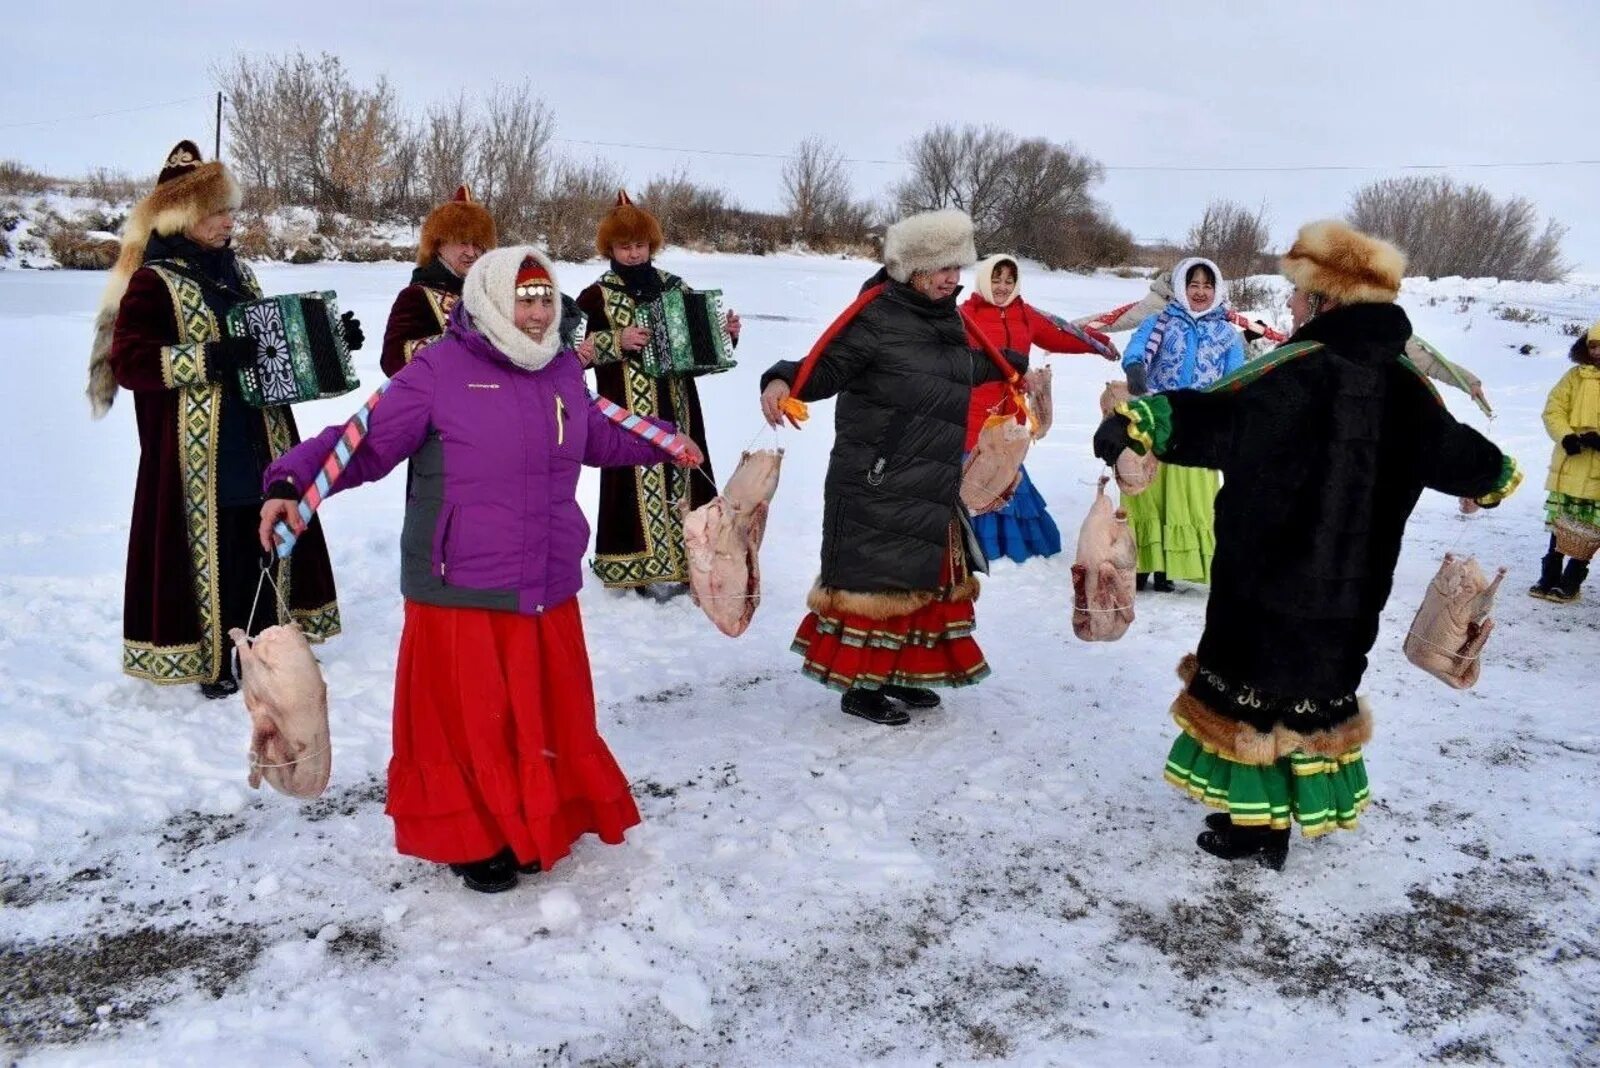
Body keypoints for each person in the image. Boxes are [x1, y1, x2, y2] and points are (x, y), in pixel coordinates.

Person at [260, 247, 703, 893]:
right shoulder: (439, 368)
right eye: (523, 297)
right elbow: (363, 441)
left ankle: (533, 819)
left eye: (545, 296)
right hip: (460, 582)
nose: (536, 309)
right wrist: (293, 479)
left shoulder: (558, 370)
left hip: (546, 577)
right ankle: (474, 837)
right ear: (490, 299)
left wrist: (665, 440)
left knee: (541, 716)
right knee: (473, 722)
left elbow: (596, 437)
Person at [1092, 220, 1520, 870]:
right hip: (1351, 593)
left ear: (1327, 298)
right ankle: (1278, 824)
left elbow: (1219, 417)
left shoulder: (1298, 370)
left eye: (1298, 293)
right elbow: (1468, 458)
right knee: (1312, 696)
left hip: (1266, 580)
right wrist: (1490, 478)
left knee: (1254, 697)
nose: (1290, 305)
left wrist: (1139, 424)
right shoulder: (1409, 386)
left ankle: (1255, 833)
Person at [89, 140, 348, 698]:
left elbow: (268, 342)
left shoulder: (239, 273)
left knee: (262, 532)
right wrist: (208, 357)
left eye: (231, 210)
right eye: (217, 212)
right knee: (221, 542)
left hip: (258, 433)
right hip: (197, 451)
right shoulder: (154, 283)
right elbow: (130, 362)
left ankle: (269, 645)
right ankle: (219, 660)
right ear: (185, 217)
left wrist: (327, 344)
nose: (230, 222)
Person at [759, 209, 1027, 727]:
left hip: (930, 475)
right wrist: (780, 381)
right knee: (878, 581)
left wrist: (1006, 364)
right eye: (941, 269)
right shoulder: (875, 315)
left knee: (921, 579)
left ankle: (904, 673)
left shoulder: (946, 315)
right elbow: (824, 366)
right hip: (876, 477)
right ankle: (862, 686)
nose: (953, 279)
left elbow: (950, 367)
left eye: (956, 267)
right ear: (911, 270)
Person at [575, 191, 740, 602]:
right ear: (609, 249)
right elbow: (572, 352)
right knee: (631, 477)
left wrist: (726, 336)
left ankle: (692, 565)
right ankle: (630, 569)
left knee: (683, 471)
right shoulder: (596, 295)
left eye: (640, 245)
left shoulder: (674, 286)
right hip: (624, 410)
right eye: (624, 246)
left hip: (678, 402)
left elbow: (702, 346)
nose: (633, 254)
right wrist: (617, 339)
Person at [961, 253, 1117, 563]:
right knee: (976, 474)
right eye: (996, 279)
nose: (1003, 286)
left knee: (1007, 471)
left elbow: (1060, 335)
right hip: (974, 412)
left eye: (1009, 280)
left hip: (1012, 416)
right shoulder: (964, 316)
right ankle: (971, 546)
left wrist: (1098, 344)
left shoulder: (1025, 314)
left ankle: (1011, 547)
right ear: (983, 280)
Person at [1120, 258, 1247, 591]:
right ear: (1181, 287)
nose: (1200, 292)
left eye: (1207, 285)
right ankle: (1141, 564)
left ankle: (1170, 567)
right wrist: (1135, 367)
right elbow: (1136, 348)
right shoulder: (1159, 321)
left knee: (1187, 496)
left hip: (1200, 425)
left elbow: (1237, 378)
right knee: (1146, 491)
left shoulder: (1228, 335)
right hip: (1156, 414)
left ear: (1217, 290)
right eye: (1194, 285)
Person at [382, 185, 592, 377]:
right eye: (462, 243)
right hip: (450, 410)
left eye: (478, 244)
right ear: (438, 245)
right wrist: (466, 338)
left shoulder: (497, 292)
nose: (472, 252)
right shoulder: (417, 295)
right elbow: (392, 362)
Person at [1530, 321, 1600, 602]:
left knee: (1590, 529)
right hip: (1571, 463)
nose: (1596, 352)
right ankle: (1549, 575)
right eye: (1592, 346)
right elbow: (1553, 410)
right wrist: (1566, 436)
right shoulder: (1573, 377)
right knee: (1562, 524)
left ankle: (1572, 579)